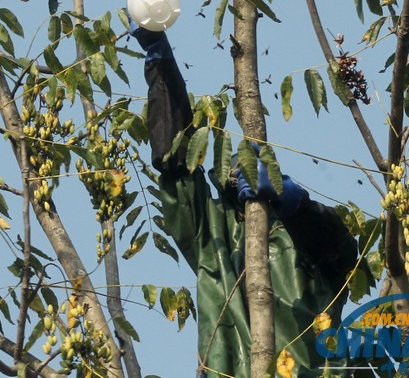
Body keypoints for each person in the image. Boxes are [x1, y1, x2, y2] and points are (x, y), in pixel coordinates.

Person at [131, 23, 358, 377]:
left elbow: (341, 252)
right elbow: (175, 164)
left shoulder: (303, 237)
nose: (240, 172)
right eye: (234, 168)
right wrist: (160, 61)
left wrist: (292, 203)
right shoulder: (212, 233)